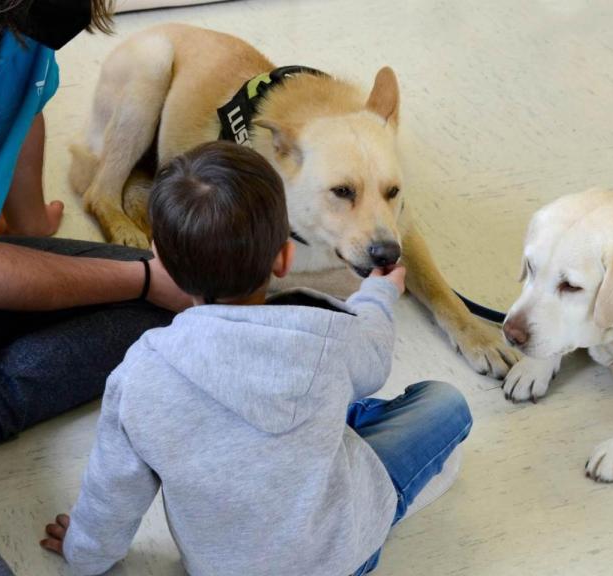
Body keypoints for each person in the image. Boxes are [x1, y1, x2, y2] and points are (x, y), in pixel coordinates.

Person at [38, 142, 472, 576]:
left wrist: (85, 552)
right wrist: (378, 294)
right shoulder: (331, 339)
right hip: (342, 557)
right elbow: (375, 357)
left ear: (161, 259)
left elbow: (114, 488)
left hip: (219, 568)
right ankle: (381, 500)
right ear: (284, 258)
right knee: (445, 403)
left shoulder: (139, 375)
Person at [0, 1, 192, 574]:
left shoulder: (15, 20)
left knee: (187, 302)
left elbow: (25, 110)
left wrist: (26, 228)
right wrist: (141, 276)